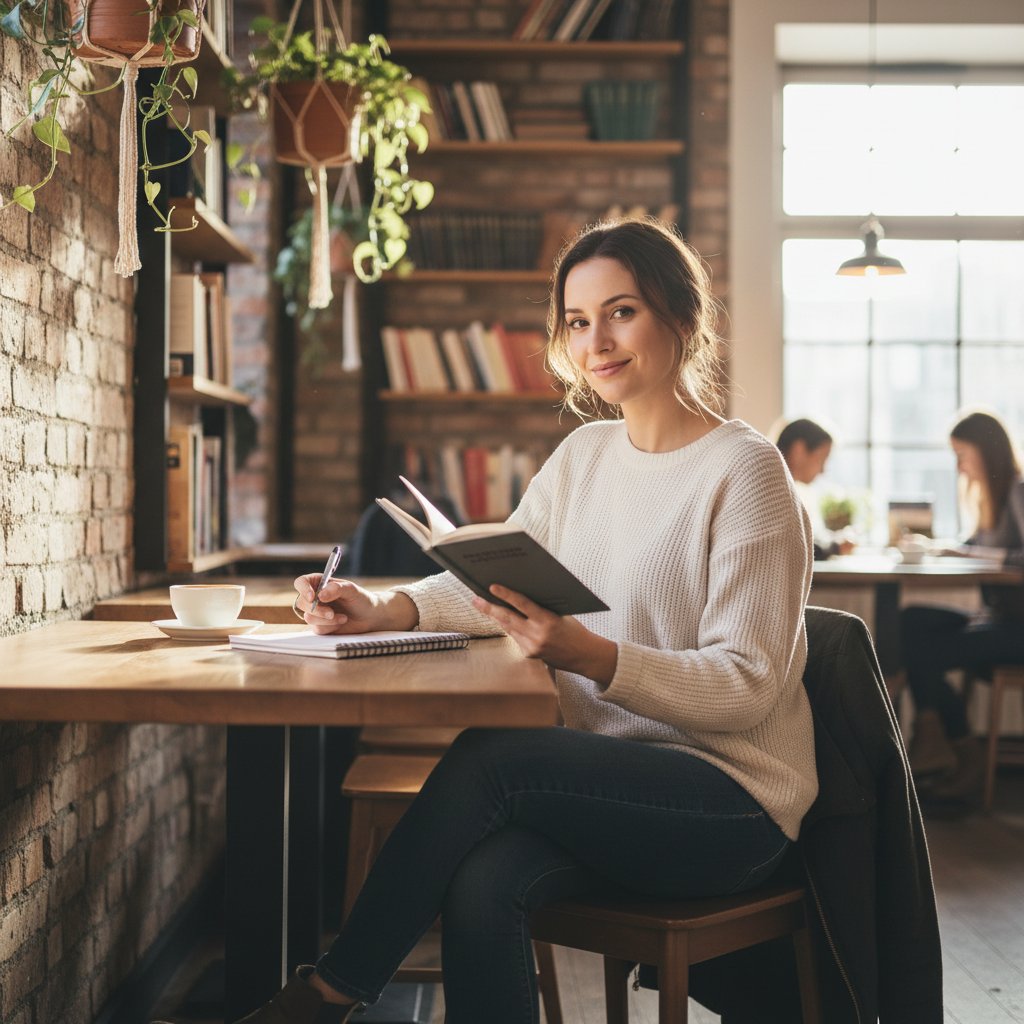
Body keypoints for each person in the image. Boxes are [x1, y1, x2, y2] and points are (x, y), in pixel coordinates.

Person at [225, 219, 818, 1024]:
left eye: (621, 312)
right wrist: (384, 607)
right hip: (607, 784)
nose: (596, 342)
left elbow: (747, 686)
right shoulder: (584, 458)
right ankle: (329, 997)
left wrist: (591, 655)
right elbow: (494, 579)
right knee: (483, 882)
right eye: (577, 321)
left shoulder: (746, 471)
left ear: (682, 315)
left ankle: (329, 994)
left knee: (492, 761)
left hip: (730, 804)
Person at [901, 410, 1024, 803]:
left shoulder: (1018, 490)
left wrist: (973, 555)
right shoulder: (988, 498)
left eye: (962, 455)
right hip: (998, 618)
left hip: (1017, 628)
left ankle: (956, 746)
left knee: (922, 651)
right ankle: (941, 739)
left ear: (987, 451)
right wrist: (942, 548)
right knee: (911, 622)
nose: (959, 467)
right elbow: (974, 547)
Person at [775, 417, 855, 559]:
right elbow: (793, 546)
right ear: (799, 450)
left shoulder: (782, 488)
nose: (823, 470)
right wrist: (835, 548)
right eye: (822, 458)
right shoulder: (774, 492)